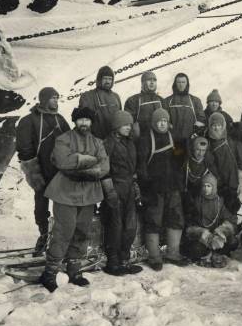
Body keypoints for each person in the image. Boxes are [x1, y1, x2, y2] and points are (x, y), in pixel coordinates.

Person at [39, 107, 110, 293]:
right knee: (63, 231)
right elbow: (63, 161)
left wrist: (82, 167)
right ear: (75, 121)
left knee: (82, 231)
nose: (84, 123)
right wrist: (88, 160)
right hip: (65, 192)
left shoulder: (98, 142)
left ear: (91, 122)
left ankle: (74, 271)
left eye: (87, 120)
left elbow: (104, 166)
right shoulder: (63, 139)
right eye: (80, 120)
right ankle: (50, 273)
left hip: (88, 193)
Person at [16, 87, 71, 253]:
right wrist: (34, 172)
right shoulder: (28, 121)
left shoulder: (60, 119)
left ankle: (60, 238)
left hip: (59, 170)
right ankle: (43, 235)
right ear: (44, 100)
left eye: (57, 97)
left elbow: (70, 140)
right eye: (52, 98)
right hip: (40, 170)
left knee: (61, 205)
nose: (55, 101)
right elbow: (24, 148)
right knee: (41, 205)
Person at [137, 108, 188, 270]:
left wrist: (179, 183)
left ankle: (173, 253)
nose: (162, 124)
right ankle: (154, 256)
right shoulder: (146, 140)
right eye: (159, 121)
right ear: (153, 123)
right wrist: (146, 187)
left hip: (172, 186)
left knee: (176, 217)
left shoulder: (175, 138)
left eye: (165, 121)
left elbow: (180, 161)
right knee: (154, 220)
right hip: (154, 188)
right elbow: (142, 166)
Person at [100, 111, 143, 276]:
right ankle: (113, 262)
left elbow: (133, 168)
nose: (128, 128)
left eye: (130, 125)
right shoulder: (108, 144)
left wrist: (135, 184)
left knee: (131, 226)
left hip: (129, 188)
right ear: (117, 126)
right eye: (125, 125)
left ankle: (125, 260)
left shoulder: (130, 143)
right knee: (115, 226)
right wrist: (109, 191)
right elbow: (103, 170)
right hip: (115, 188)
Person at [181, 174, 239, 268]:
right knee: (196, 248)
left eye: (209, 186)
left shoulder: (220, 202)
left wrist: (221, 232)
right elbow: (190, 224)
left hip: (217, 236)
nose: (206, 188)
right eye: (204, 186)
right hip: (203, 238)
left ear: (214, 187)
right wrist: (203, 234)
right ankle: (207, 255)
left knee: (233, 242)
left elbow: (230, 220)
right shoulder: (196, 201)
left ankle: (216, 253)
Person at [207, 112, 242, 215]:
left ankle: (235, 225)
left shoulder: (232, 141)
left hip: (235, 180)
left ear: (223, 126)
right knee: (221, 208)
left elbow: (241, 159)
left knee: (235, 207)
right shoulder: (209, 144)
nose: (217, 128)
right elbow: (210, 164)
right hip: (220, 182)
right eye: (214, 126)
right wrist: (218, 180)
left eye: (219, 125)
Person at [162, 73, 206, 156]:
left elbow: (201, 119)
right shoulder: (167, 101)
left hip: (190, 141)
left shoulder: (195, 101)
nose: (181, 85)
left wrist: (196, 133)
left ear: (187, 84)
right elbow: (164, 120)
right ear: (175, 84)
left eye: (183, 82)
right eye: (179, 82)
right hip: (173, 142)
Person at [78, 65, 122, 140]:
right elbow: (83, 121)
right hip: (96, 140)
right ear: (99, 79)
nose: (108, 81)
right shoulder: (88, 96)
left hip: (114, 140)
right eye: (105, 78)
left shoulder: (116, 97)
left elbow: (120, 118)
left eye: (110, 79)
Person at [124, 71, 163, 136]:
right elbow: (128, 123)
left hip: (158, 138)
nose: (152, 82)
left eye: (154, 80)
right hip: (142, 139)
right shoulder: (133, 100)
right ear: (143, 82)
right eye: (149, 80)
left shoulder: (160, 100)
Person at [182, 136, 218, 203]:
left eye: (203, 150)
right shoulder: (186, 161)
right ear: (193, 149)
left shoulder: (209, 163)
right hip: (187, 192)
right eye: (198, 149)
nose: (200, 153)